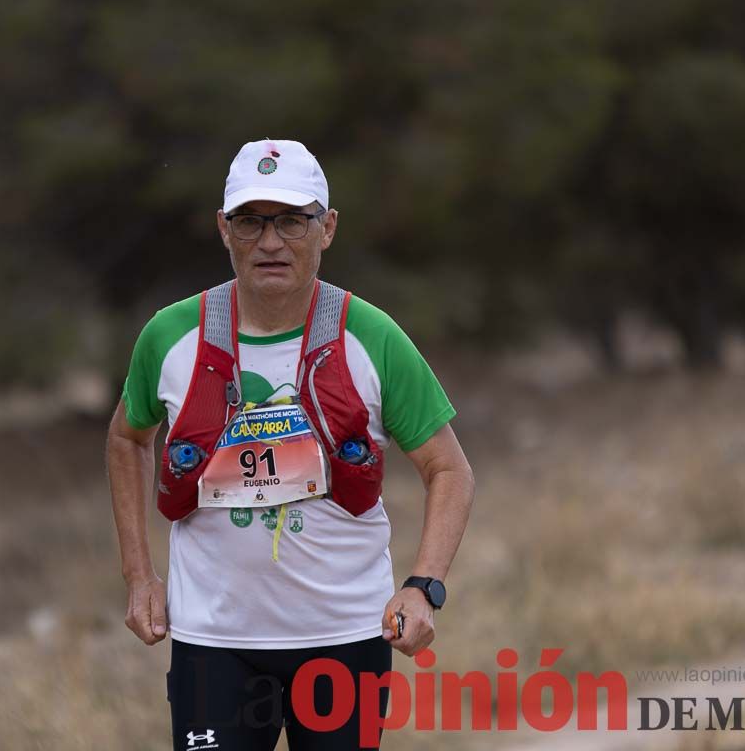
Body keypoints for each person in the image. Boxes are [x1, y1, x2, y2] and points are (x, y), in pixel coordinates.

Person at [106, 139, 475, 750]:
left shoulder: (372, 336)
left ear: (327, 228)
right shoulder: (170, 336)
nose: (270, 242)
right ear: (223, 229)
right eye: (251, 221)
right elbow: (126, 438)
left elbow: (449, 470)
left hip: (345, 636)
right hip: (214, 640)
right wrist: (139, 574)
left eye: (292, 221)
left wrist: (423, 585)